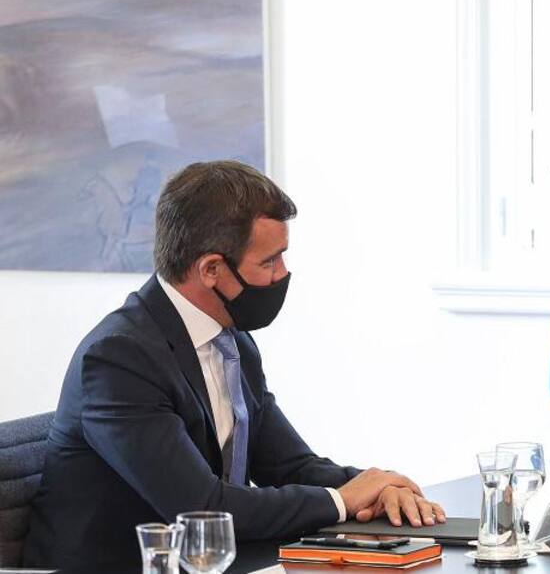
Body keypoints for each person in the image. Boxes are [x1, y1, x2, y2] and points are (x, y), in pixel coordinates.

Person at [24, 161, 444, 569]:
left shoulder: (232, 340)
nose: (283, 274)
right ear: (211, 269)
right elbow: (202, 508)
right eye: (269, 262)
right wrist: (343, 500)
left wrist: (379, 486)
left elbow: (288, 466)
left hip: (210, 561)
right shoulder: (119, 358)